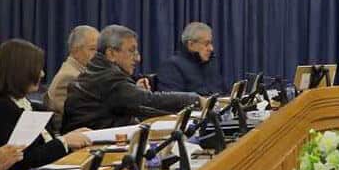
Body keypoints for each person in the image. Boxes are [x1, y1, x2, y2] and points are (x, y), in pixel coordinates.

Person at [0, 40, 93, 170]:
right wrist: (64, 142)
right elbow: (18, 161)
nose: (42, 74)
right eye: (37, 69)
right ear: (19, 71)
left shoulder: (28, 105)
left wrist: (69, 140)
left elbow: (44, 149)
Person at [62, 25, 201, 133]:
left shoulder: (100, 71)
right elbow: (150, 101)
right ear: (111, 54)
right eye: (131, 50)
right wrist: (195, 100)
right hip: (85, 151)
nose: (138, 58)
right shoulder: (108, 78)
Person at [46, 25, 99, 131]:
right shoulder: (68, 77)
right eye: (92, 49)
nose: (98, 55)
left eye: (99, 50)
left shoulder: (85, 72)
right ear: (75, 51)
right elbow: (76, 117)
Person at [157, 22, 223, 95]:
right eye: (206, 44)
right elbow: (173, 99)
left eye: (211, 43)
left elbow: (220, 92)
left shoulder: (210, 63)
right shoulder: (172, 66)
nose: (211, 48)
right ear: (191, 45)